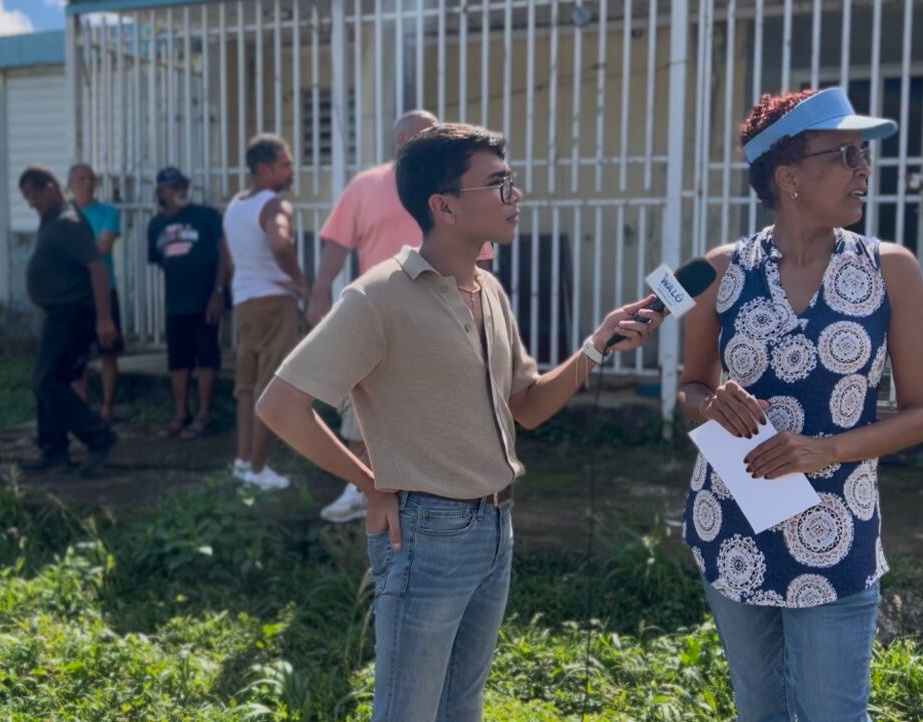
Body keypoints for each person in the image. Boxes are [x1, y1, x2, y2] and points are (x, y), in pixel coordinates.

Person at [257, 123, 664, 721]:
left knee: (460, 708)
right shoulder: (378, 298)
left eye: (511, 181)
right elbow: (279, 405)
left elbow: (526, 405)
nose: (515, 195)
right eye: (497, 183)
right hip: (425, 535)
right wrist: (370, 483)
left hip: (496, 525)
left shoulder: (488, 290)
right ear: (443, 206)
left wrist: (595, 347)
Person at [677, 87, 923, 721]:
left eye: (863, 154)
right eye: (845, 154)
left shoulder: (889, 270)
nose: (863, 169)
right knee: (759, 709)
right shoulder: (721, 271)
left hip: (837, 533)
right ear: (788, 177)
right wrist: (713, 404)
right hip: (733, 526)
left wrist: (825, 450)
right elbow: (689, 387)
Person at [307, 109, 496, 523]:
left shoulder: (455, 189)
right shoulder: (366, 186)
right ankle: (360, 488)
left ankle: (436, 489)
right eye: (429, 135)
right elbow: (337, 244)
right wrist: (319, 292)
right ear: (402, 141)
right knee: (364, 404)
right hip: (379, 316)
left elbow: (479, 254)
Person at [18, 165, 118, 476]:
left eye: (32, 195)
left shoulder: (67, 221)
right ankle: (54, 453)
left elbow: (97, 267)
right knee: (48, 380)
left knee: (48, 382)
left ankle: (98, 437)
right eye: (25, 197)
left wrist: (104, 318)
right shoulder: (54, 221)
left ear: (50, 188)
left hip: (73, 311)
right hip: (61, 312)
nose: (30, 203)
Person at [224, 134, 304, 489]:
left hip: (244, 303)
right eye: (285, 164)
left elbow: (230, 257)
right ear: (263, 168)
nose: (292, 171)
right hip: (275, 301)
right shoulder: (274, 206)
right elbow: (279, 243)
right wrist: (301, 283)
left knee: (246, 387)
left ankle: (243, 462)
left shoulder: (235, 205)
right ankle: (258, 470)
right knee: (271, 386)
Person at [146, 167, 230, 440]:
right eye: (173, 186)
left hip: (206, 300)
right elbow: (161, 260)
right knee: (178, 360)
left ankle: (204, 414)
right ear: (161, 192)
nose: (180, 190)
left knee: (206, 356)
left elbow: (224, 254)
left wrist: (218, 292)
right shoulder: (155, 225)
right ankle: (181, 414)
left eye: (182, 184)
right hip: (175, 302)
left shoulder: (206, 216)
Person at [67, 163, 123, 423]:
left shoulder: (108, 212)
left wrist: (76, 249)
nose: (87, 183)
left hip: (104, 290)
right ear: (70, 184)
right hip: (76, 293)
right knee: (77, 353)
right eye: (81, 179)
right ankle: (81, 406)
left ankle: (107, 406)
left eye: (91, 179)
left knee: (108, 351)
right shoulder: (64, 215)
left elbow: (104, 247)